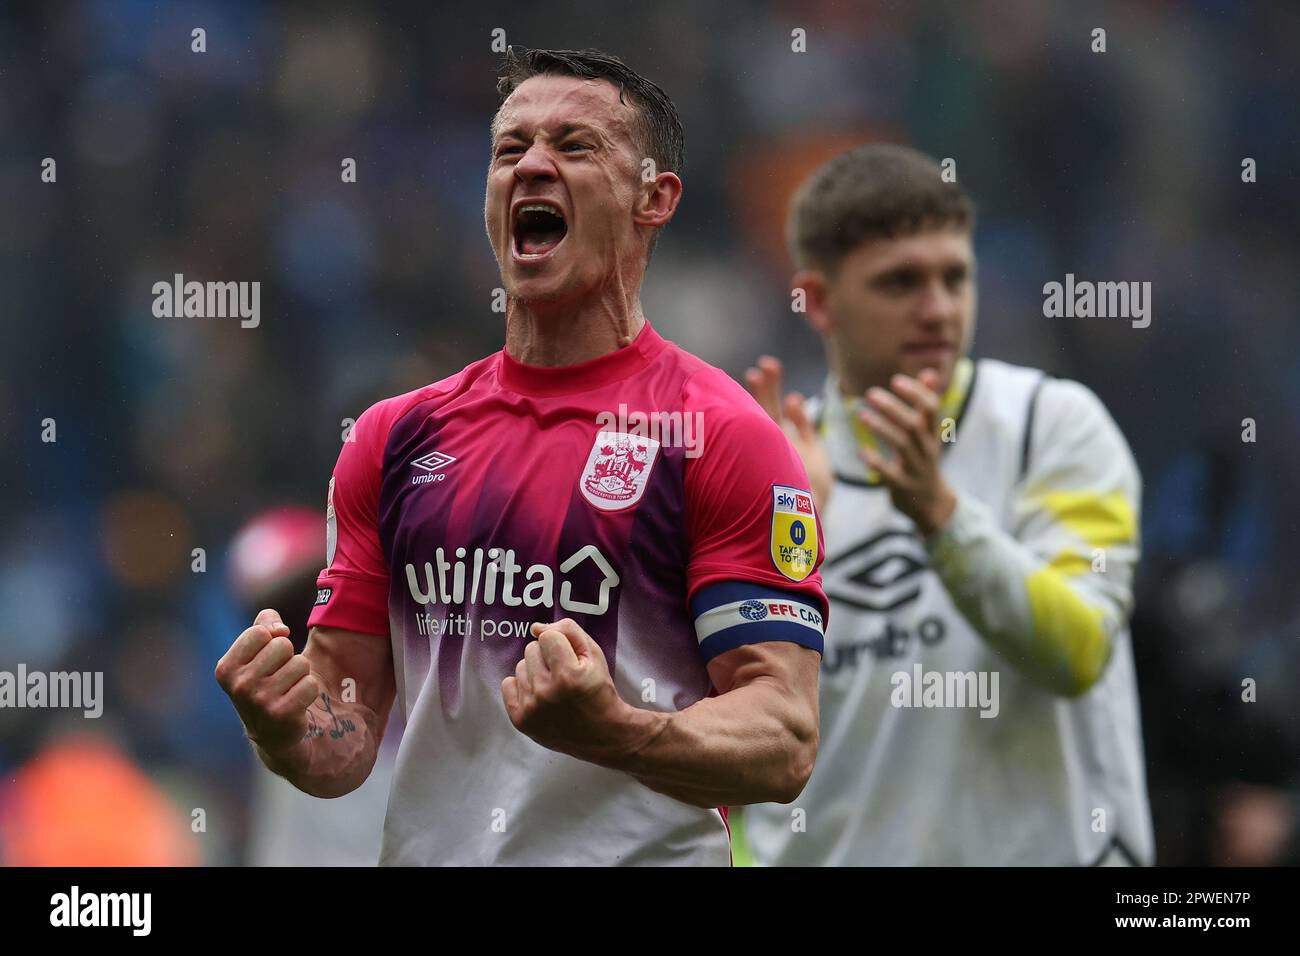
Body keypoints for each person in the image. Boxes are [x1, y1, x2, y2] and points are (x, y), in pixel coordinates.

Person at [215, 47, 827, 866]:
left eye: (575, 146)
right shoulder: (394, 439)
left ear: (655, 197)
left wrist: (617, 730)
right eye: (511, 150)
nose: (534, 164)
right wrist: (285, 724)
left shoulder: (721, 433)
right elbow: (344, 745)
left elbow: (783, 738)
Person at [742, 143, 1154, 866]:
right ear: (817, 301)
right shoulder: (776, 466)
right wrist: (777, 549)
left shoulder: (1051, 426)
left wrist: (941, 515)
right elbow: (730, 722)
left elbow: (1080, 647)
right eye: (901, 282)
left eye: (955, 278)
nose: (937, 309)